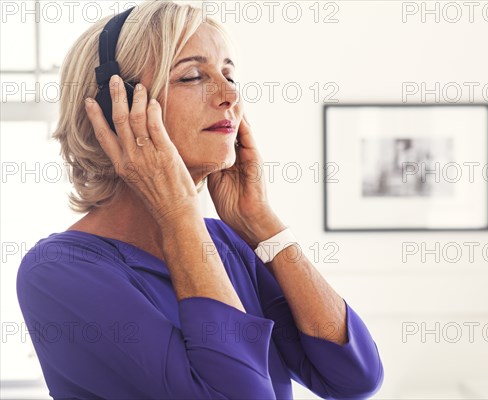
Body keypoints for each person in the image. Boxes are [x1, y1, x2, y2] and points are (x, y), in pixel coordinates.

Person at [16, 1, 384, 399]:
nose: (229, 95)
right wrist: (178, 214)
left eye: (229, 74)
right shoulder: (58, 271)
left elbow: (354, 378)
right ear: (113, 109)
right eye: (192, 76)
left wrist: (260, 221)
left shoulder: (228, 245)